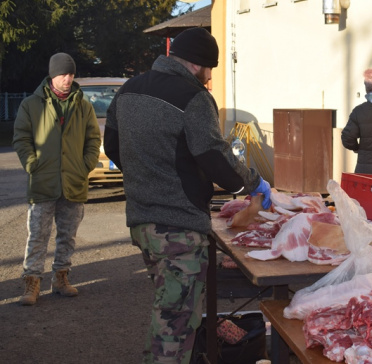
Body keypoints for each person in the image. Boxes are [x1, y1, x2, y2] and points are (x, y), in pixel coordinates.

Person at [103, 27, 272, 364]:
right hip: (177, 229)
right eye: (210, 70)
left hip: (143, 224)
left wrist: (149, 175)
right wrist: (253, 184)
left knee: (168, 312)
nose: (210, 79)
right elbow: (213, 155)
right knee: (176, 329)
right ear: (197, 65)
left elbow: (112, 146)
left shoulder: (129, 89)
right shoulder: (193, 97)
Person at [13, 52, 101, 306]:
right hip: (43, 182)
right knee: (38, 234)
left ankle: (61, 278)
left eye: (71, 74)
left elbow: (93, 139)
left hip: (73, 181)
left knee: (68, 234)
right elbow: (21, 138)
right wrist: (32, 165)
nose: (68, 79)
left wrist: (85, 166)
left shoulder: (83, 105)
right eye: (63, 74)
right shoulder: (31, 104)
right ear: (52, 76)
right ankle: (32, 281)